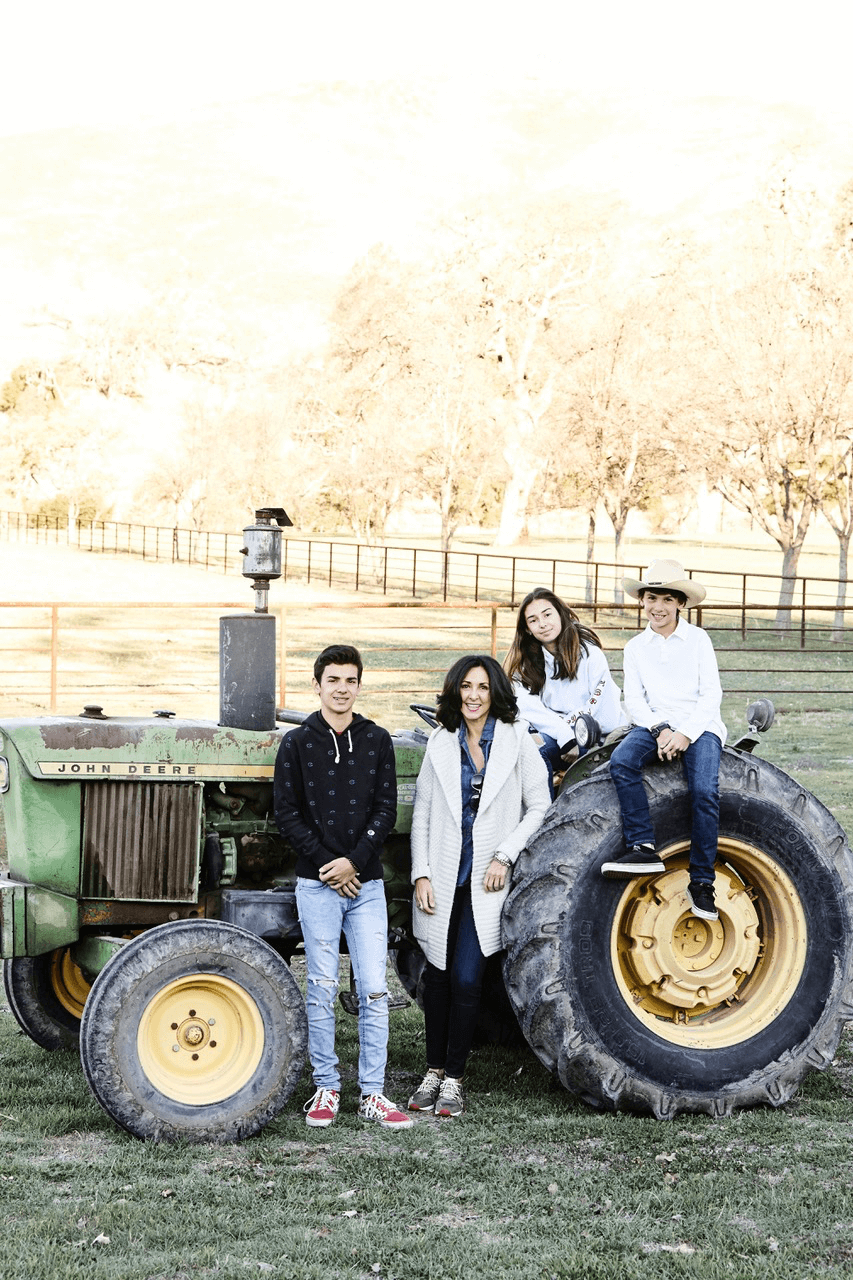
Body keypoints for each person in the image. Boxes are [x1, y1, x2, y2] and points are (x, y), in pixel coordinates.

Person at [273, 643, 412, 1130]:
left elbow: (385, 810)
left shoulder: (376, 740)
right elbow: (286, 813)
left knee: (374, 988)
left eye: (350, 680)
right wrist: (327, 864)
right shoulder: (295, 744)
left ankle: (373, 1093)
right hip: (316, 886)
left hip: (366, 885)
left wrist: (353, 863)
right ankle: (326, 1088)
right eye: (332, 680)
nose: (341, 688)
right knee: (321, 986)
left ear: (358, 685)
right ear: (317, 685)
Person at [408, 654, 550, 1118]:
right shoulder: (441, 742)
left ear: (495, 694)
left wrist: (505, 854)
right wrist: (421, 874)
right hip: (444, 877)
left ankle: (454, 1079)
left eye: (483, 687)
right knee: (437, 977)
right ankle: (431, 1071)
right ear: (455, 691)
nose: (473, 695)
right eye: (466, 686)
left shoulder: (516, 741)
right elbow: (423, 814)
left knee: (467, 977)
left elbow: (538, 806)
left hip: (484, 883)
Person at [600, 559, 726, 922]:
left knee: (704, 791)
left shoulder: (698, 640)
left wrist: (686, 733)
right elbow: (635, 700)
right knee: (622, 762)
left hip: (698, 725)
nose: (657, 607)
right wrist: (660, 730)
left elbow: (711, 695)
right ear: (643, 601)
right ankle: (643, 846)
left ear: (680, 604)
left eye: (666, 600)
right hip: (654, 722)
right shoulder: (636, 647)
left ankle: (701, 880)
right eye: (651, 598)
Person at [504, 587, 625, 782]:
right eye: (533, 620)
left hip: (595, 737)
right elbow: (529, 708)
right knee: (524, 750)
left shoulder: (590, 655)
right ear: (527, 628)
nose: (542, 624)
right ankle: (535, 810)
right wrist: (565, 737)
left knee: (537, 751)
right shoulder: (525, 664)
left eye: (547, 614)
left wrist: (573, 734)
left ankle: (550, 810)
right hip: (557, 735)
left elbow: (602, 708)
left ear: (560, 614)